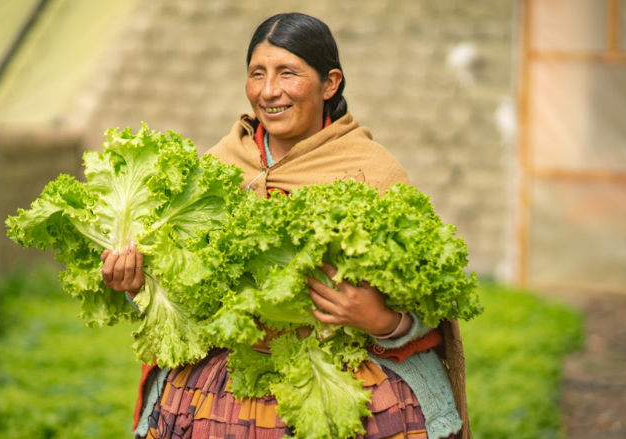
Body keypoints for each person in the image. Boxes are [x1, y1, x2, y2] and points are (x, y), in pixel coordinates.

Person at [101, 12, 470, 439]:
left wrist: (382, 320)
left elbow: (435, 295)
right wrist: (138, 285)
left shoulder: (372, 172)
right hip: (219, 398)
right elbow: (183, 292)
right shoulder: (215, 169)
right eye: (257, 74)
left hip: (351, 390)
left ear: (330, 83)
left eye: (287, 73)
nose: (269, 91)